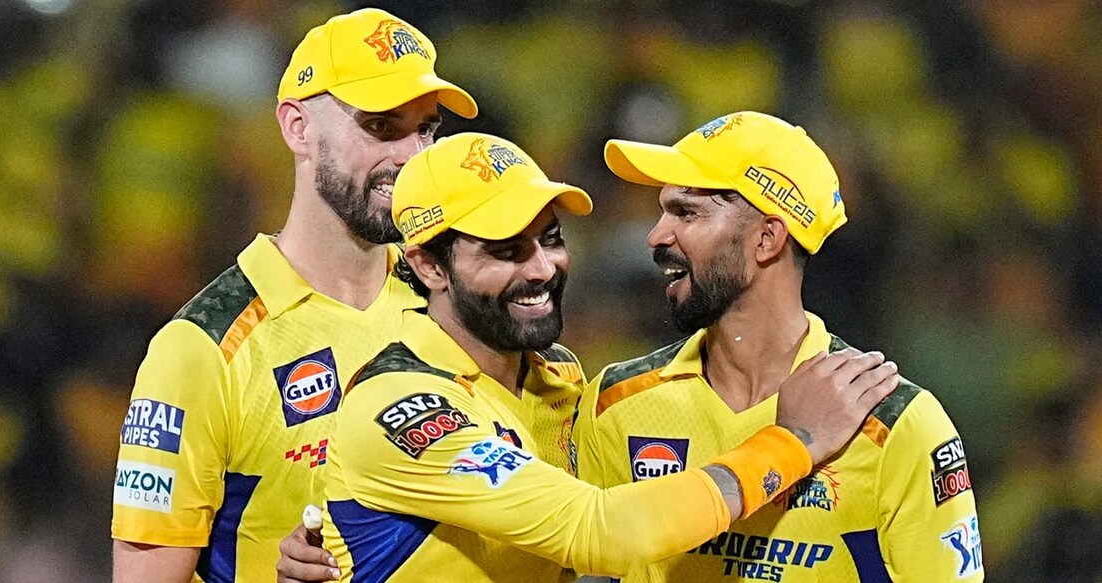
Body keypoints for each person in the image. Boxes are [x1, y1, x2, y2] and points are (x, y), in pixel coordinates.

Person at [309, 131, 899, 583]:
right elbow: (603, 531)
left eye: (550, 239)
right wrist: (793, 441)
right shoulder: (401, 405)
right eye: (505, 251)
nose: (541, 269)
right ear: (429, 266)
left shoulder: (561, 381)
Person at [110, 9, 478, 582]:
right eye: (381, 127)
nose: (412, 156)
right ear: (298, 128)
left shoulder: (451, 302)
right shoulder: (202, 349)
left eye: (425, 130)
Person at [573, 111, 983, 581]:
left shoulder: (893, 426)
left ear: (767, 239)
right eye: (663, 212)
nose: (656, 236)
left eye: (687, 213)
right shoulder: (615, 402)